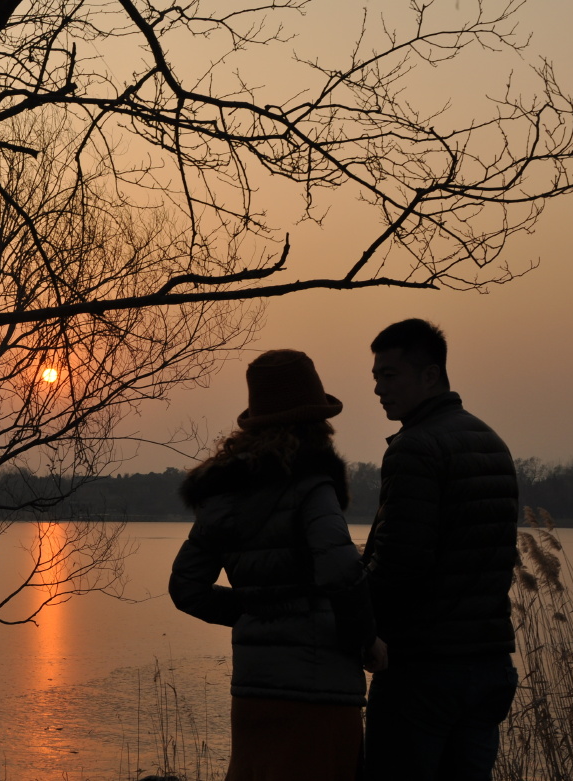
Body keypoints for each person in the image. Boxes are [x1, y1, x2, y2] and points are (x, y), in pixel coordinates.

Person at [170, 349, 381, 781]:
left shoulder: (223, 493)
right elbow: (342, 573)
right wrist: (367, 645)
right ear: (316, 420)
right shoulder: (313, 485)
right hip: (321, 692)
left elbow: (185, 589)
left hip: (253, 692)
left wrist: (256, 609)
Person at [362, 318, 520, 780]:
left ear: (430, 375)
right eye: (375, 377)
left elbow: (399, 560)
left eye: (389, 376)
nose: (378, 390)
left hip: (423, 671)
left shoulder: (416, 446)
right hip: (489, 666)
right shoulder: (493, 442)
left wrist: (356, 618)